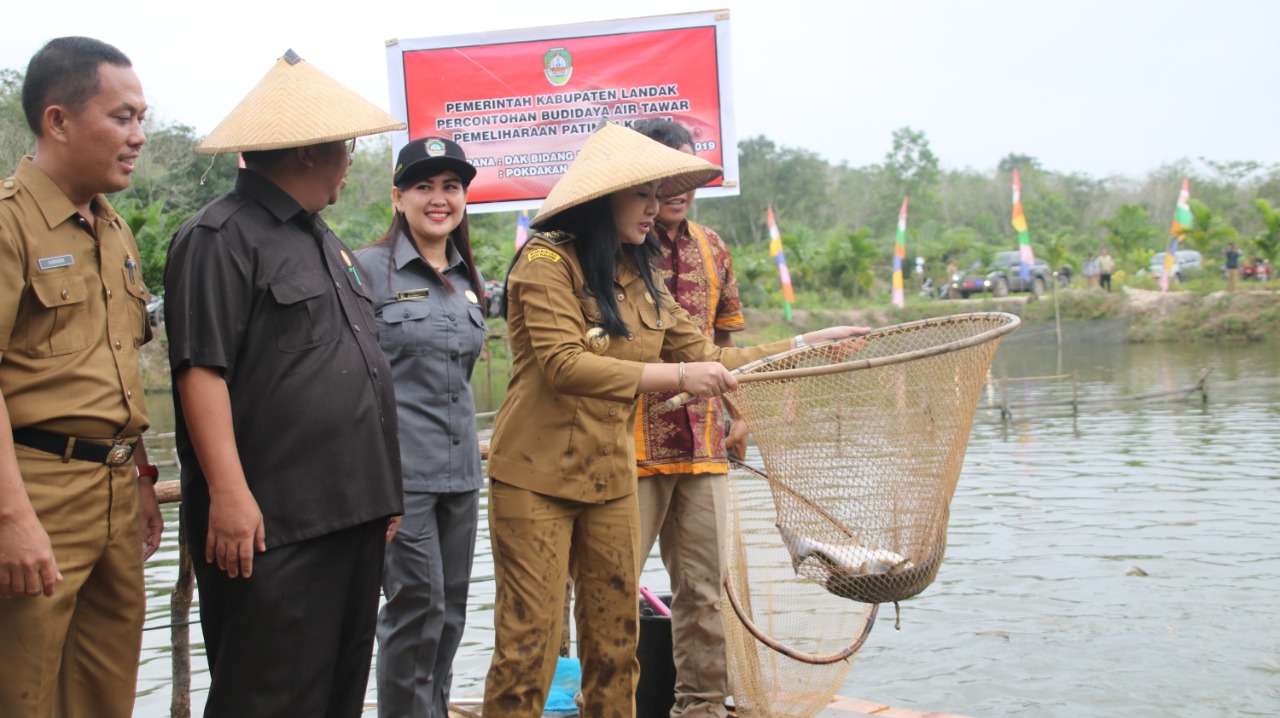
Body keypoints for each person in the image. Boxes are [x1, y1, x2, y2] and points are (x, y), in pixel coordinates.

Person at [481, 121, 867, 717]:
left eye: (659, 194)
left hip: (609, 478)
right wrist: (680, 379)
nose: (655, 207)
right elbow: (565, 365)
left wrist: (807, 343)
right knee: (526, 644)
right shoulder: (544, 262)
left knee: (616, 644)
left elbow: (713, 358)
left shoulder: (644, 276)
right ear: (601, 197)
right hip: (534, 479)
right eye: (642, 194)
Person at [164, 51, 405, 717]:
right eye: (345, 145)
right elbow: (200, 370)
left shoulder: (324, 241)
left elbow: (353, 371)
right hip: (275, 528)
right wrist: (231, 496)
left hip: (351, 519)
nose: (351, 158)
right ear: (306, 151)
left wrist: (381, 495)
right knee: (267, 697)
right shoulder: (218, 237)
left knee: (336, 695)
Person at [0, 36, 163, 718]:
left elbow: (119, 365)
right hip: (37, 492)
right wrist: (11, 519)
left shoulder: (113, 229)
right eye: (121, 117)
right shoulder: (10, 224)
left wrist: (144, 476)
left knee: (104, 694)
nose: (138, 137)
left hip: (115, 494)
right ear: (57, 120)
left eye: (141, 119)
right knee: (24, 693)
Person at [354, 137, 486, 718]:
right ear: (398, 196)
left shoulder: (465, 280)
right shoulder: (364, 270)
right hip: (400, 478)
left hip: (461, 477)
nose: (440, 199)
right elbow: (352, 384)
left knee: (451, 610)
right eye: (424, 186)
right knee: (416, 607)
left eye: (451, 187)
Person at [627, 118, 744, 718]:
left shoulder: (713, 247)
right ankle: (608, 704)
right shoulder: (615, 247)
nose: (676, 189)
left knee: (704, 589)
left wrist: (742, 415)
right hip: (627, 448)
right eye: (662, 176)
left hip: (702, 444)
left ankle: (701, 707)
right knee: (611, 590)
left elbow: (723, 343)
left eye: (688, 175)